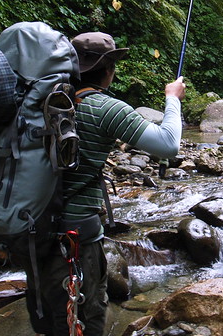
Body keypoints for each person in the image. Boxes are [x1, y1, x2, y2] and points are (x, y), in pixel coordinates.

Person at [27, 31, 186, 336]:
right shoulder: (104, 108)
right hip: (75, 240)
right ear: (109, 70)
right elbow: (168, 144)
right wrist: (172, 99)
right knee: (83, 320)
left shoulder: (38, 101)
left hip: (31, 232)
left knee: (49, 319)